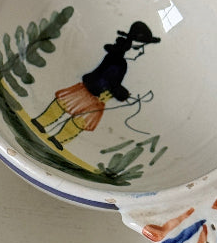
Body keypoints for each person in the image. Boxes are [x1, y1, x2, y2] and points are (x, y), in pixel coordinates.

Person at [32, 21, 160, 149]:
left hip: (97, 92)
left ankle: (55, 136)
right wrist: (121, 94)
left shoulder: (117, 58)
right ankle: (45, 126)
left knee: (76, 115)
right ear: (130, 47)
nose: (141, 53)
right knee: (70, 108)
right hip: (94, 90)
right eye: (140, 48)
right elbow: (111, 81)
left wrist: (119, 91)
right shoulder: (119, 63)